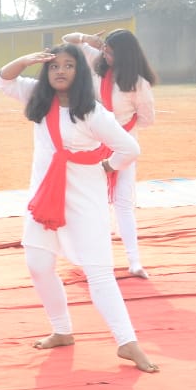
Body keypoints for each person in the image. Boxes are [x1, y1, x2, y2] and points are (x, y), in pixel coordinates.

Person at [0, 44, 158, 373]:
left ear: (79, 71)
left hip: (85, 199)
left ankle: (127, 342)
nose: (60, 71)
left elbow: (129, 148)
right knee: (38, 265)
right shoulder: (39, 98)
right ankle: (62, 330)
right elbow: (2, 80)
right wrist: (26, 59)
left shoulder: (93, 112)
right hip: (45, 197)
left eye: (69, 65)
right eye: (54, 66)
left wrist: (108, 166)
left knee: (98, 272)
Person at [64, 29, 157, 278]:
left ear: (125, 55)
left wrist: (119, 128)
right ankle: (89, 257)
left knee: (122, 202)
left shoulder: (138, 83)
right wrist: (87, 39)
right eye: (104, 50)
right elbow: (66, 40)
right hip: (92, 144)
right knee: (91, 202)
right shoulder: (97, 62)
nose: (105, 55)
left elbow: (147, 119)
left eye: (110, 52)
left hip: (124, 147)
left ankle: (134, 261)